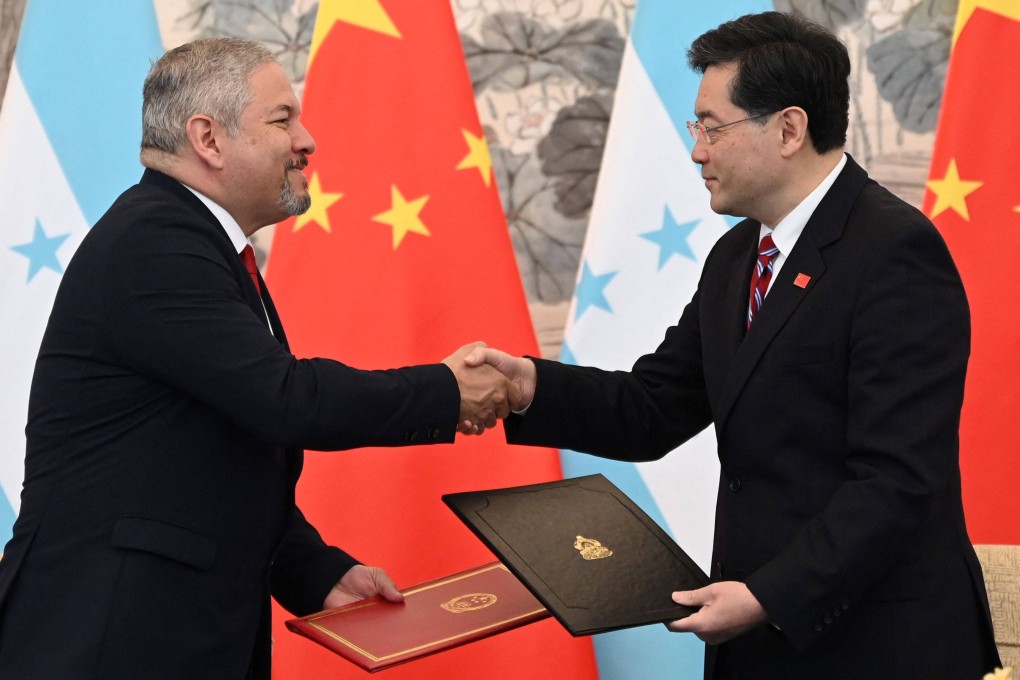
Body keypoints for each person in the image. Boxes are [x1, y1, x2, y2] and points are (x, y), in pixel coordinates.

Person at [466, 11, 1001, 680]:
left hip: (872, 641)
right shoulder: (737, 255)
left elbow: (896, 480)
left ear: (788, 129)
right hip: (759, 637)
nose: (697, 151)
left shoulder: (894, 252)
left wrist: (767, 597)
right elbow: (655, 406)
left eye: (712, 128)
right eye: (697, 128)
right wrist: (527, 386)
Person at [0, 38, 509, 679]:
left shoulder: (199, 243)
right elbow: (287, 401)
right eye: (282, 119)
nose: (308, 139)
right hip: (109, 638)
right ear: (208, 138)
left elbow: (221, 454)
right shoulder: (155, 241)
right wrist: (444, 391)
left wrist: (317, 573)